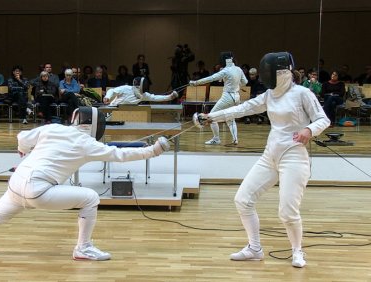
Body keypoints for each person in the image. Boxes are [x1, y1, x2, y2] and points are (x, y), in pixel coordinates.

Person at [0, 107, 170, 261]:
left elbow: (22, 138)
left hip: (16, 185)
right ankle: (82, 248)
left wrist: (23, 153)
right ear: (94, 125)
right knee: (91, 198)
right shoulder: (88, 144)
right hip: (38, 190)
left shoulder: (54, 128)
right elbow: (120, 154)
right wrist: (154, 150)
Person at [196, 52, 330, 268]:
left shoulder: (302, 94)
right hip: (271, 156)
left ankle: (297, 251)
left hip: (294, 156)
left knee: (287, 212)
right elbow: (243, 108)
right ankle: (254, 248)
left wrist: (309, 129)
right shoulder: (269, 95)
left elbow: (323, 119)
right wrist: (212, 117)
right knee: (243, 199)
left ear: (283, 73)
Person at [189, 51, 248, 145]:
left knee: (211, 116)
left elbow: (211, 78)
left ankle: (216, 139)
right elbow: (245, 82)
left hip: (228, 97)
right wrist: (235, 86)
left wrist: (195, 83)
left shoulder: (225, 71)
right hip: (237, 97)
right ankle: (235, 139)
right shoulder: (238, 69)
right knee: (230, 117)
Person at [103, 77, 178, 106]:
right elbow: (112, 90)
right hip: (113, 110)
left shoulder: (143, 95)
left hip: (126, 114)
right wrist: (107, 97)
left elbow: (155, 98)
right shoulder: (126, 88)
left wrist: (170, 97)